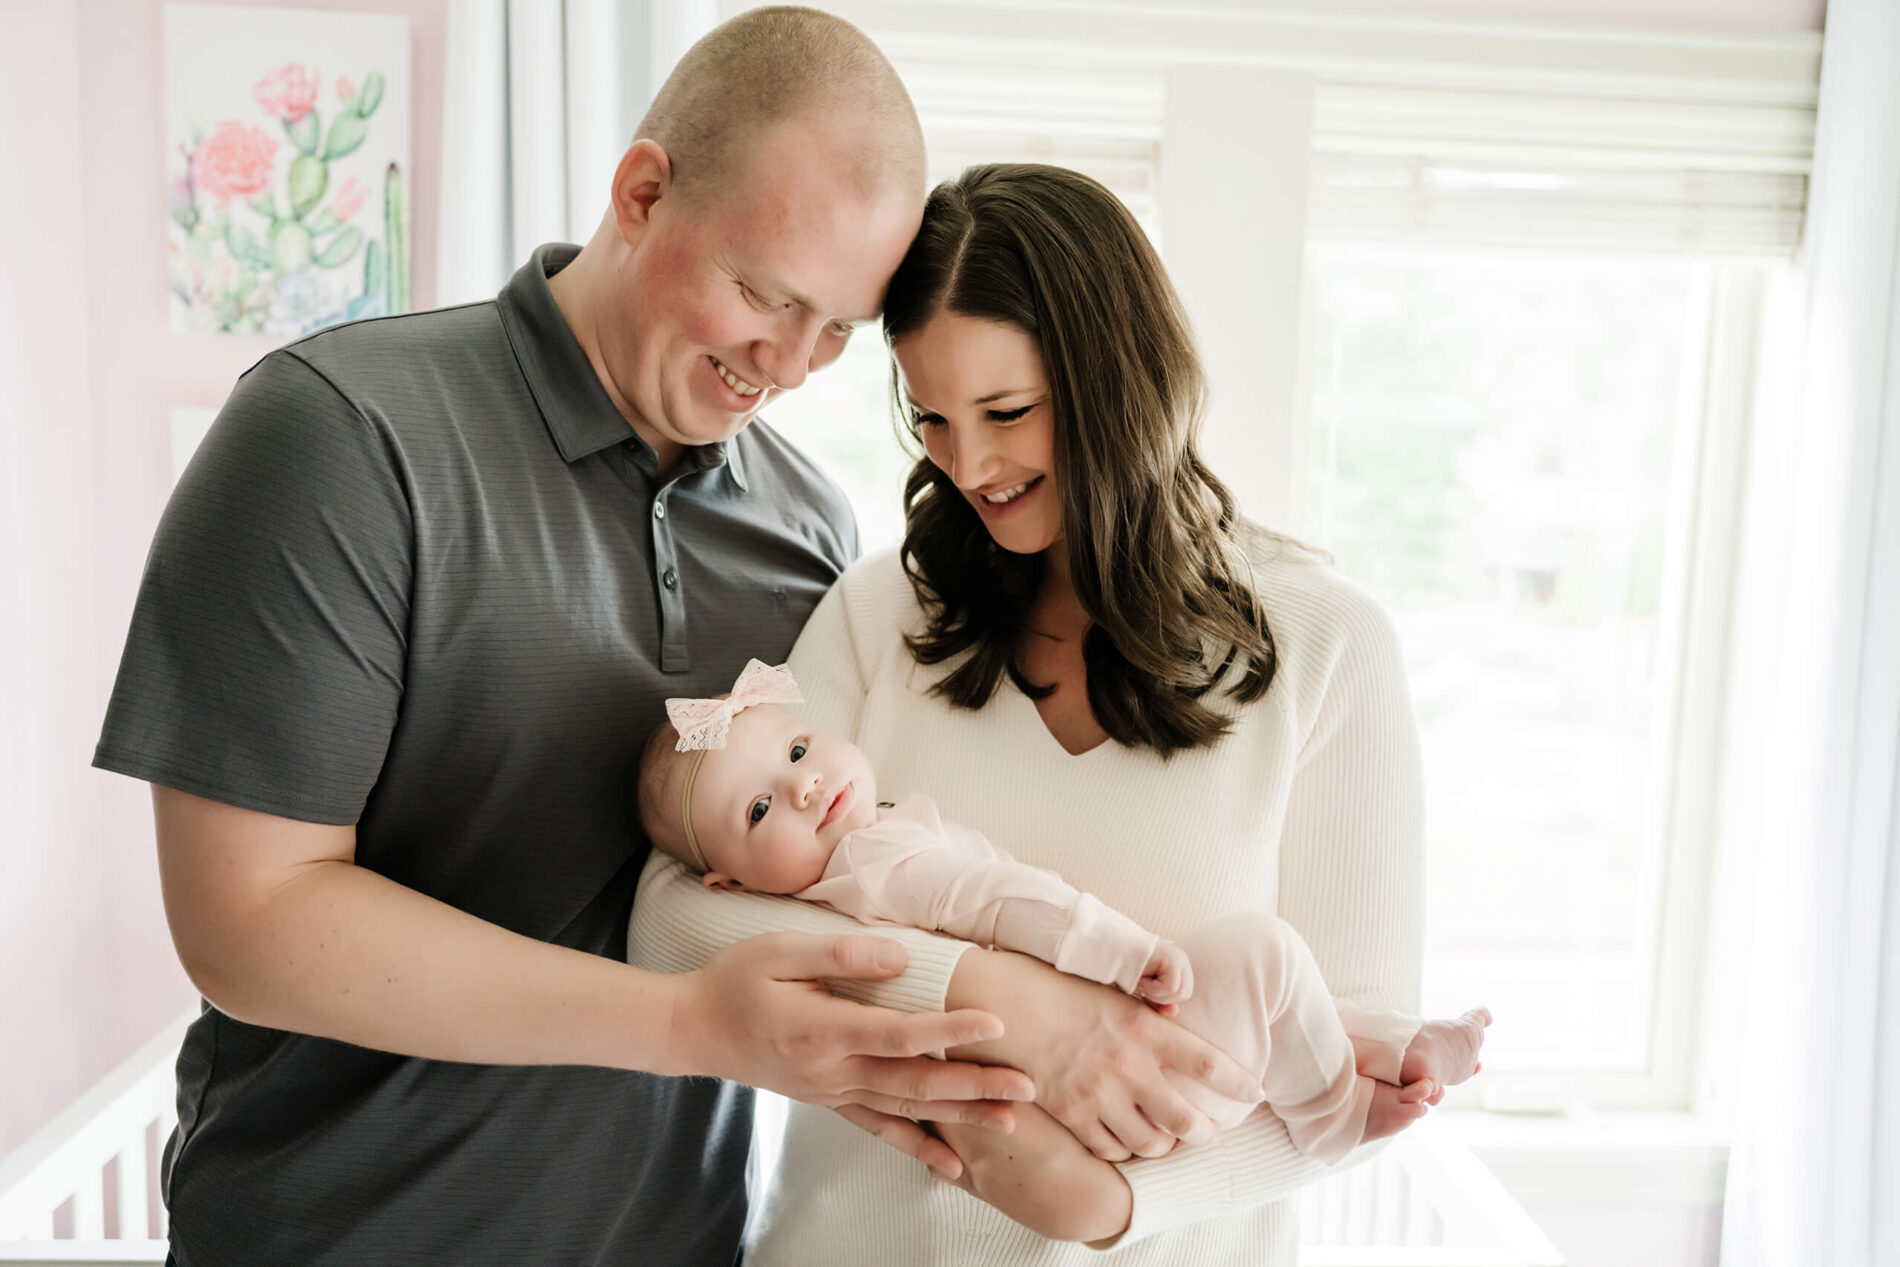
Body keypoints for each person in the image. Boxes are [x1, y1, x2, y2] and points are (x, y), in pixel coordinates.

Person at [91, 12, 1277, 1264]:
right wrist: (685, 1023)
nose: (789, 363)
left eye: (836, 329)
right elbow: (248, 924)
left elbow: (850, 870)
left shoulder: (808, 528)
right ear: (642, 191)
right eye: (765, 294)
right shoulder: (340, 436)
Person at [628, 161, 1429, 1263]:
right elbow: (672, 928)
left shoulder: (1328, 649)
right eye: (933, 420)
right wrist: (993, 996)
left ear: (1119, 384)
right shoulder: (880, 614)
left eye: (1007, 412)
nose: (972, 466)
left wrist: (1104, 1204)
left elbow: (1365, 1069)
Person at [633, 661, 1488, 1192]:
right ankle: (1337, 1116)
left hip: (1086, 1086)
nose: (806, 788)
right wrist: (1129, 951)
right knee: (1263, 955)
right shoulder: (881, 862)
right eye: (758, 808)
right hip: (1113, 1087)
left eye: (796, 752)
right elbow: (1005, 901)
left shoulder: (830, 885)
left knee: (1275, 996)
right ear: (726, 878)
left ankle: (1393, 1042)